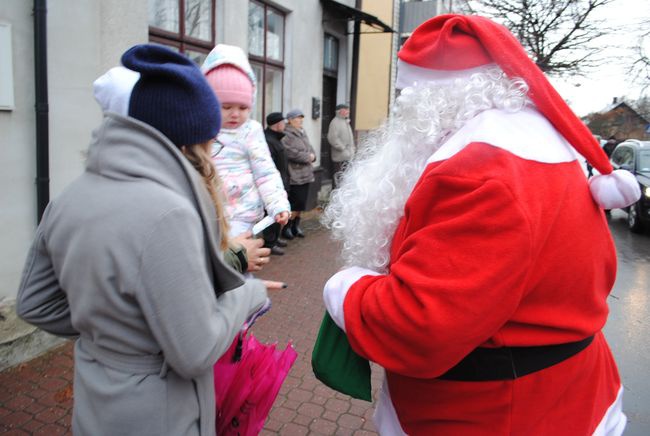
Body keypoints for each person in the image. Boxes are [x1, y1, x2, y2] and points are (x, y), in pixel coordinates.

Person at [321, 15, 640, 435]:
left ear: (431, 98)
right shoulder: (536, 143)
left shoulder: (480, 170)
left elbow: (417, 327)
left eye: (406, 96)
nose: (401, 108)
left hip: (498, 412)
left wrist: (345, 287)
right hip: (561, 393)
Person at [15, 44, 272, 435]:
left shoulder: (70, 197)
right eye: (209, 142)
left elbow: (34, 304)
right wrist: (248, 293)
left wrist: (110, 329)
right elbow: (195, 352)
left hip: (95, 399)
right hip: (158, 411)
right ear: (188, 142)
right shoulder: (169, 213)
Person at [201, 44, 290, 239]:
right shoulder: (199, 129)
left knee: (239, 262)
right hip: (207, 215)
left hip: (244, 215)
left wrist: (277, 205)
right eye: (226, 106)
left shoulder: (251, 130)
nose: (235, 114)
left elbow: (265, 172)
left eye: (243, 108)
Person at [282, 108, 317, 239]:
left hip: (306, 173)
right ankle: (287, 228)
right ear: (290, 120)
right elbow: (291, 152)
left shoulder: (302, 132)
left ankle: (296, 226)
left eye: (301, 118)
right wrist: (308, 157)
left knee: (302, 203)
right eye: (298, 118)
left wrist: (312, 155)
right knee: (294, 203)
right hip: (295, 174)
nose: (301, 120)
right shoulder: (286, 134)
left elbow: (310, 147)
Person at [263, 112, 291, 255]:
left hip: (281, 182)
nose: (285, 125)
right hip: (273, 184)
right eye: (283, 122)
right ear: (278, 124)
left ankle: (275, 238)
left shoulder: (276, 139)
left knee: (279, 211)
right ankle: (269, 242)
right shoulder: (268, 140)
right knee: (271, 213)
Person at [327, 103, 355, 189]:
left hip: (347, 156)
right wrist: (343, 148)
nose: (348, 111)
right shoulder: (335, 122)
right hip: (340, 157)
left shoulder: (345, 122)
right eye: (346, 109)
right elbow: (332, 138)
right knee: (339, 180)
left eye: (348, 109)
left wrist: (352, 149)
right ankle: (336, 198)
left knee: (345, 179)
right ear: (340, 111)